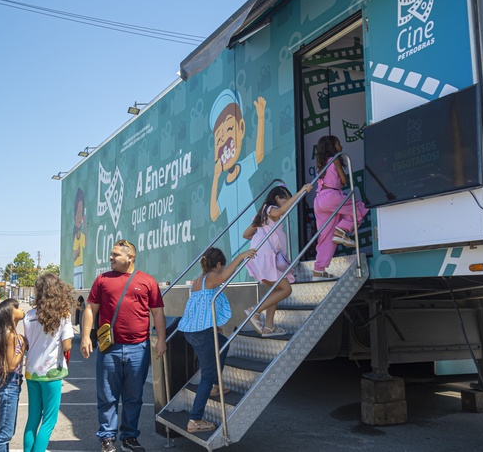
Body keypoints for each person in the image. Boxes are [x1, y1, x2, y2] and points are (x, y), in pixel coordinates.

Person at [80, 239, 167, 452]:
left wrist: (161, 340)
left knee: (134, 397)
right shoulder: (102, 280)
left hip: (139, 348)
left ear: (131, 257)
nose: (111, 258)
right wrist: (85, 337)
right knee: (107, 395)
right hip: (109, 348)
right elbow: (91, 309)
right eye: (111, 255)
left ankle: (129, 438)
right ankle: (107, 438)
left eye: (115, 255)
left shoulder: (147, 281)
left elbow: (157, 313)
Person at [178, 247, 256, 433]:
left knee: (223, 343)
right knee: (206, 375)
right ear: (219, 264)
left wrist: (213, 323)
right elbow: (224, 277)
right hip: (202, 334)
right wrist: (242, 256)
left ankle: (214, 384)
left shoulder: (198, 281)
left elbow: (200, 307)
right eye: (223, 265)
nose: (223, 268)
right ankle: (195, 420)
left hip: (195, 331)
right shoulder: (212, 278)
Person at [243, 184, 312, 335]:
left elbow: (246, 234)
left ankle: (269, 327)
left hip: (261, 256)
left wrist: (260, 237)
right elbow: (281, 210)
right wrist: (301, 191)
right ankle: (254, 311)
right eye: (285, 199)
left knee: (275, 290)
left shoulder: (262, 217)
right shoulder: (269, 209)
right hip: (266, 257)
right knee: (286, 289)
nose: (286, 203)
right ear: (277, 198)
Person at [209, 89, 268, 254]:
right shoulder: (225, 186)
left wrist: (261, 118)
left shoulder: (243, 167)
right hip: (237, 249)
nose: (224, 141)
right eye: (219, 139)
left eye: (229, 130)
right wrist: (216, 178)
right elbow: (214, 213)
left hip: (253, 239)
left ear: (241, 128)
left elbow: (259, 154)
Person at [23, 274, 73, 452]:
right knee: (49, 421)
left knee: (33, 418)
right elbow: (67, 345)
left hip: (31, 371)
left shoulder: (28, 316)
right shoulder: (63, 315)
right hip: (52, 373)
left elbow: (27, 343)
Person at [312, 135, 369, 278]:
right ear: (332, 147)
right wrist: (342, 180)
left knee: (325, 236)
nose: (341, 147)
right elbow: (344, 180)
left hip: (319, 200)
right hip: (332, 195)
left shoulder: (321, 164)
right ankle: (342, 230)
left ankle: (318, 270)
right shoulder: (335, 159)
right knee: (359, 207)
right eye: (338, 144)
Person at [0, 299, 26, 452]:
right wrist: (23, 346)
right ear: (10, 315)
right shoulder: (11, 336)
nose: (20, 309)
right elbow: (11, 365)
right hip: (9, 385)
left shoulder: (6, 334)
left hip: (6, 384)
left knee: (5, 431)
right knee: (5, 434)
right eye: (16, 307)